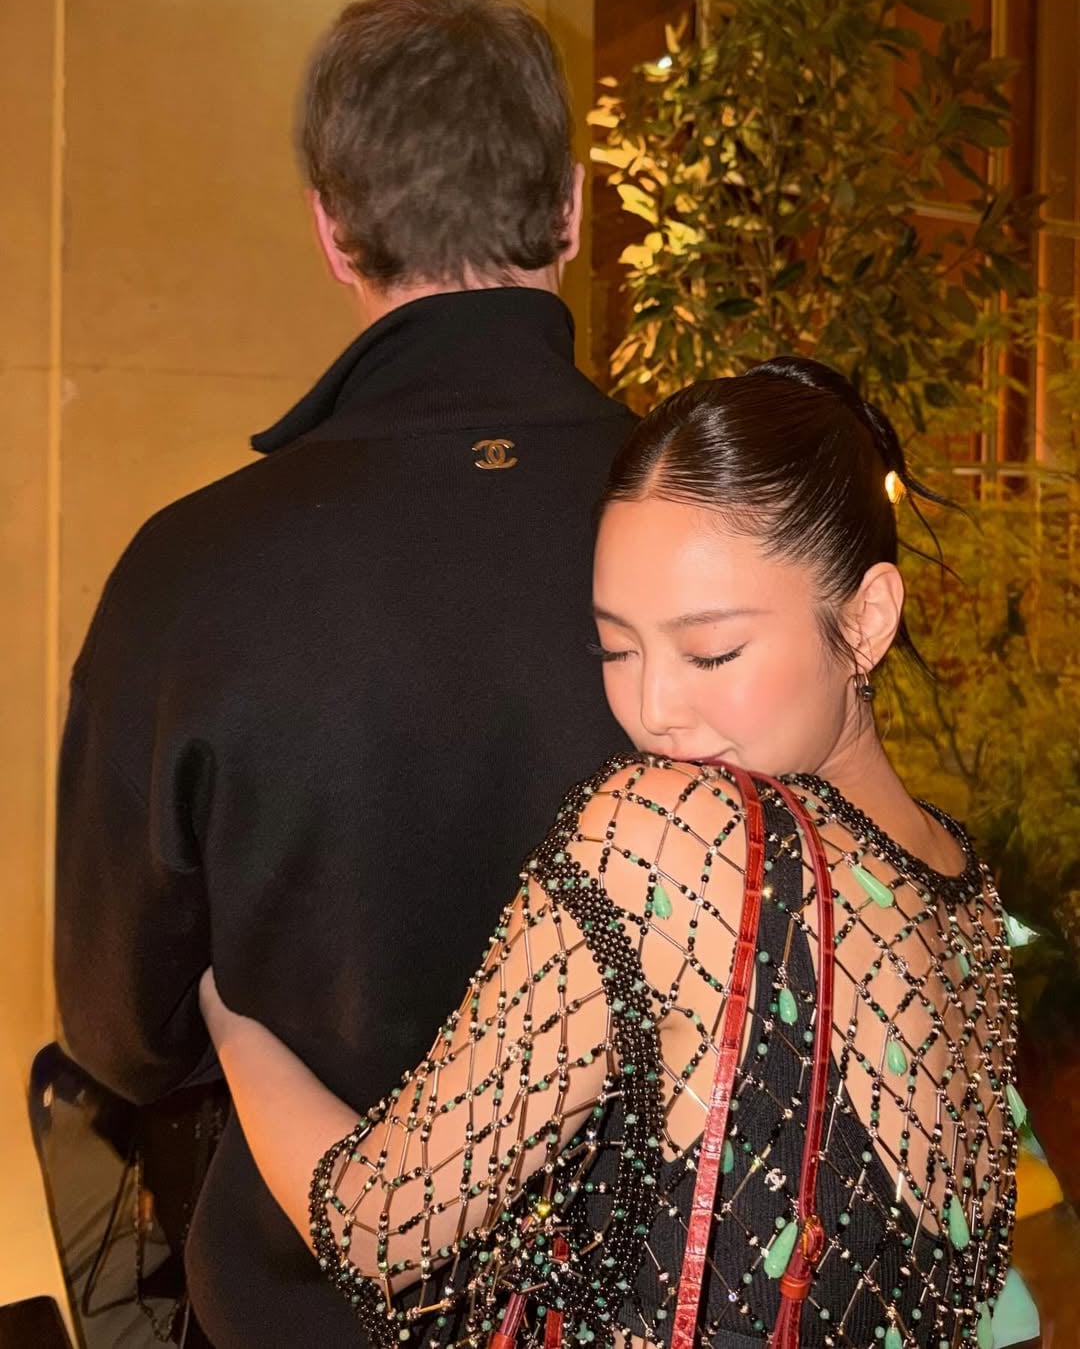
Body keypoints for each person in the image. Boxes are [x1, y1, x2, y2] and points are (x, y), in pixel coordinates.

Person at [201, 358, 1021, 1348]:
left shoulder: (682, 831)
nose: (652, 710)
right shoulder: (962, 888)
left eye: (711, 651)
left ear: (866, 618)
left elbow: (377, 1225)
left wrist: (228, 1017)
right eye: (616, 649)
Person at [54, 0, 634, 1347]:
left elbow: (117, 1031)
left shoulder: (188, 570)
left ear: (331, 230)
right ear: (572, 208)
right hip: (659, 1302)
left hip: (304, 1309)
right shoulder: (729, 544)